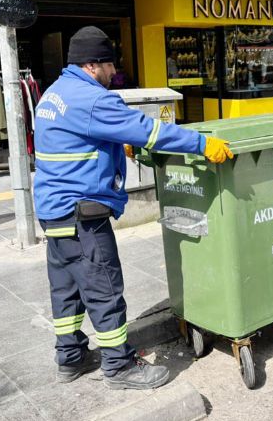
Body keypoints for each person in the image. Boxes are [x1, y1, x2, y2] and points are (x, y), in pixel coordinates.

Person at [33, 26, 233, 390]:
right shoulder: (93, 99)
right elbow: (152, 132)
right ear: (93, 64)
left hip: (53, 213)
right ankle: (120, 366)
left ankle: (70, 358)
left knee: (67, 290)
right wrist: (202, 143)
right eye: (111, 66)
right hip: (83, 215)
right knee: (104, 289)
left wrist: (112, 148)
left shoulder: (52, 94)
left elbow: (74, 143)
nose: (114, 74)